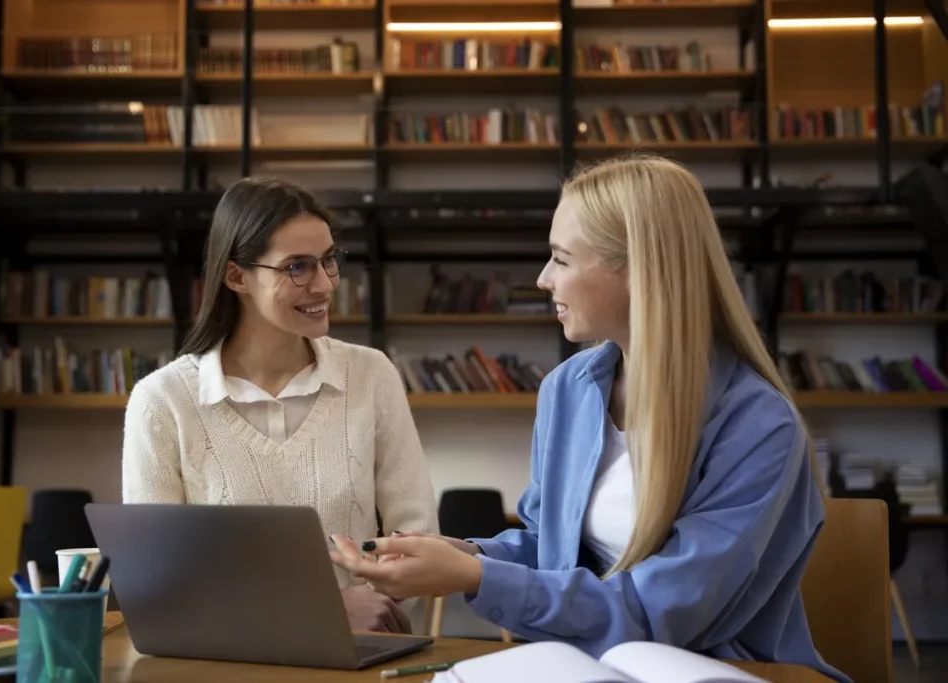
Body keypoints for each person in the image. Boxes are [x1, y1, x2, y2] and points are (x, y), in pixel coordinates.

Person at [330, 155, 848, 682]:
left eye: (561, 258)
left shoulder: (759, 424)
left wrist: (477, 575)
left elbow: (667, 611)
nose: (542, 279)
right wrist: (459, 553)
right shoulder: (569, 390)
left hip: (719, 668)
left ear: (639, 269)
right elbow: (550, 546)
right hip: (592, 663)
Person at [122, 176, 439, 634]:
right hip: (222, 667)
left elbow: (418, 542)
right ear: (236, 276)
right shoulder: (163, 401)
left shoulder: (371, 376)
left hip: (363, 660)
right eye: (297, 267)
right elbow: (153, 583)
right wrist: (322, 614)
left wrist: (369, 610)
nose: (325, 284)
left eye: (329, 261)